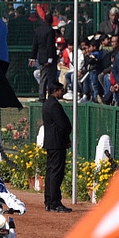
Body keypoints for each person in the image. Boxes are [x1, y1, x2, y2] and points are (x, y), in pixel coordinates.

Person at [41, 82, 73, 212]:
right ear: (55, 90)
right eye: (61, 90)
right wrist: (66, 139)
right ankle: (54, 202)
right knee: (55, 172)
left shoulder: (47, 103)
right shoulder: (54, 105)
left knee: (51, 172)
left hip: (51, 142)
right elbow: (62, 125)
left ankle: (49, 201)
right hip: (57, 143)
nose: (63, 92)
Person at [30, 12, 57, 101]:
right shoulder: (50, 31)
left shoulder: (38, 30)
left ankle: (41, 96)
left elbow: (35, 45)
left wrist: (33, 57)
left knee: (43, 78)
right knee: (51, 78)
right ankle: (50, 96)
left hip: (41, 57)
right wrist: (50, 59)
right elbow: (50, 45)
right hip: (50, 58)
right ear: (52, 21)